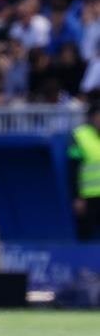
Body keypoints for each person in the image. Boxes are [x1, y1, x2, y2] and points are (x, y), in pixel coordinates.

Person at [69, 102, 100, 240]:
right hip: (88, 197)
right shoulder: (80, 136)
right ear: (91, 118)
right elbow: (73, 169)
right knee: (86, 235)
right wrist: (77, 197)